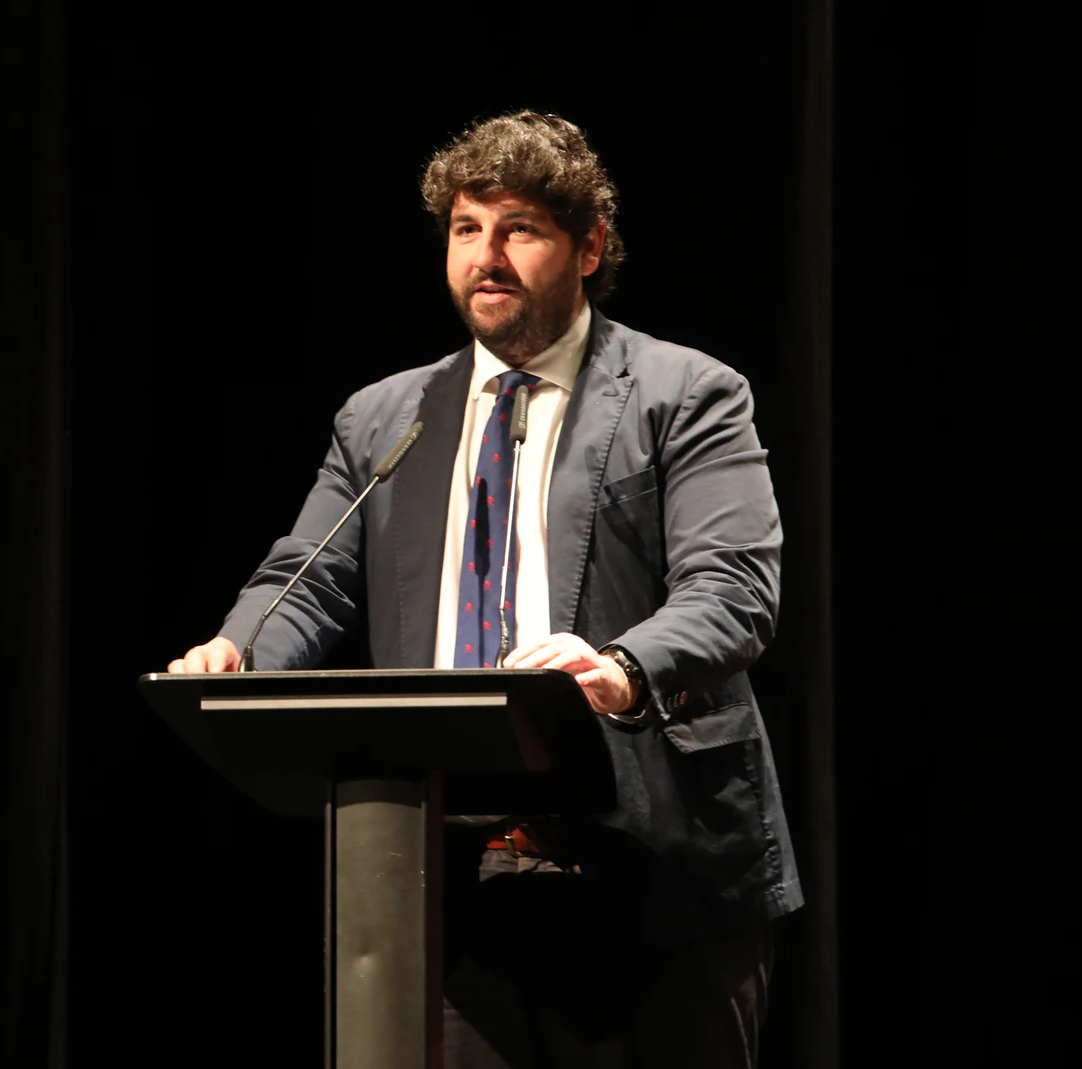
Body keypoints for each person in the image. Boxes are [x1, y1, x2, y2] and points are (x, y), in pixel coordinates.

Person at [166, 111, 801, 1069]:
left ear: (589, 248)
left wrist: (623, 665)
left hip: (654, 870)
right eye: (468, 229)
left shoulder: (686, 393)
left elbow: (733, 586)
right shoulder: (387, 415)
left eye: (521, 230)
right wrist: (240, 646)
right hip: (448, 870)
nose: (487, 256)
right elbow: (308, 574)